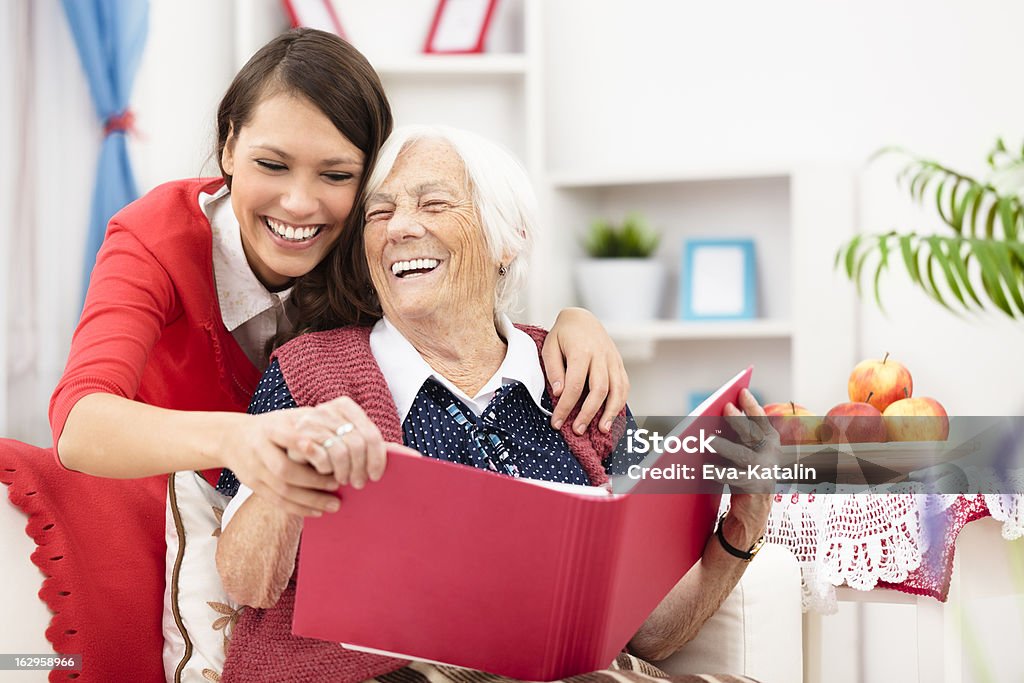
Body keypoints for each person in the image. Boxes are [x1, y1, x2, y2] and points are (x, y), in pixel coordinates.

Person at [0, 30, 627, 681]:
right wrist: (250, 438)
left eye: (335, 175)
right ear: (227, 147)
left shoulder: (373, 253)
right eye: (272, 165)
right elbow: (79, 425)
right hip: (160, 517)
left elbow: (477, 298)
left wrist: (572, 323)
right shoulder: (155, 236)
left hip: (287, 518)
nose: (300, 203)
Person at [215, 125, 775, 682]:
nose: (401, 227)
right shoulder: (310, 373)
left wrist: (742, 527)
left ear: (507, 239)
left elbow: (650, 631)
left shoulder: (579, 381)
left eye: (434, 204)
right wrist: (294, 476)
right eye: (379, 213)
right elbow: (246, 582)